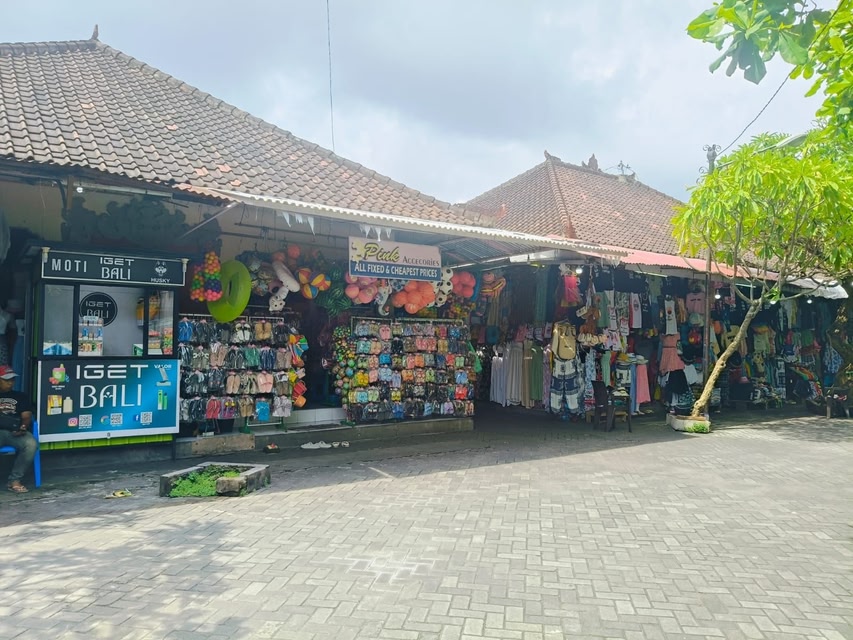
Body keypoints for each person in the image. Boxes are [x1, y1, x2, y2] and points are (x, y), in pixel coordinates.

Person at [0, 365, 36, 493]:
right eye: (6, 380)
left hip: (14, 431)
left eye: (12, 379)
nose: (10, 382)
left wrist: (23, 427)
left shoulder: (20, 396)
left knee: (31, 444)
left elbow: (26, 416)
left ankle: (14, 480)